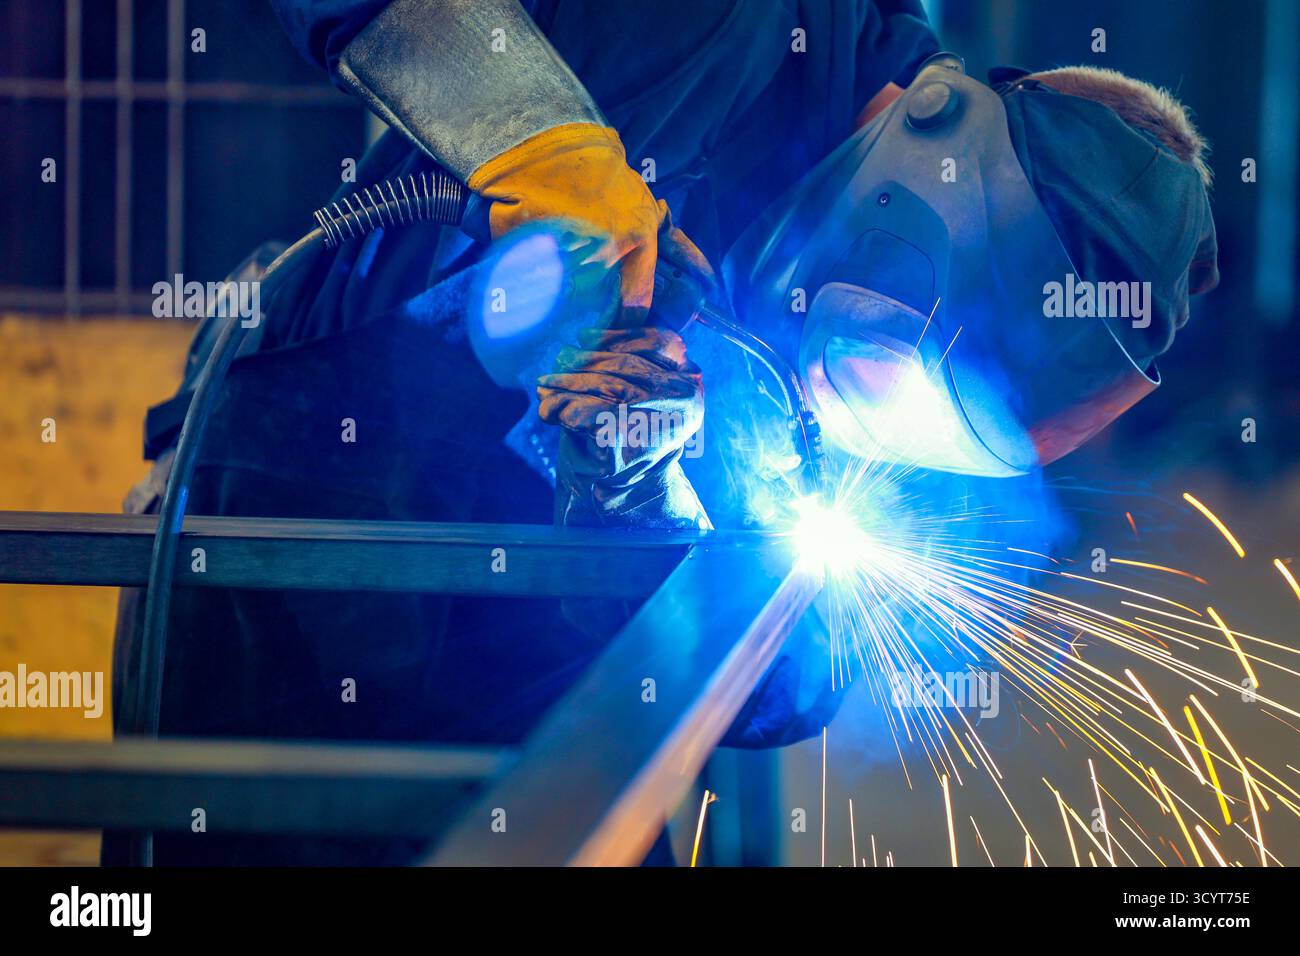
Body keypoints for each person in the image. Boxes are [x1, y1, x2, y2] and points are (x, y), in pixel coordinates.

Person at [109, 0, 1217, 864]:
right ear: (938, 150)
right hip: (300, 566)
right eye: (883, 373)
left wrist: (636, 497)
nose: (859, 415)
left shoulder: (940, 380)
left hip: (550, 694)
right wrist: (536, 143)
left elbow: (786, 682)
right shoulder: (711, 27)